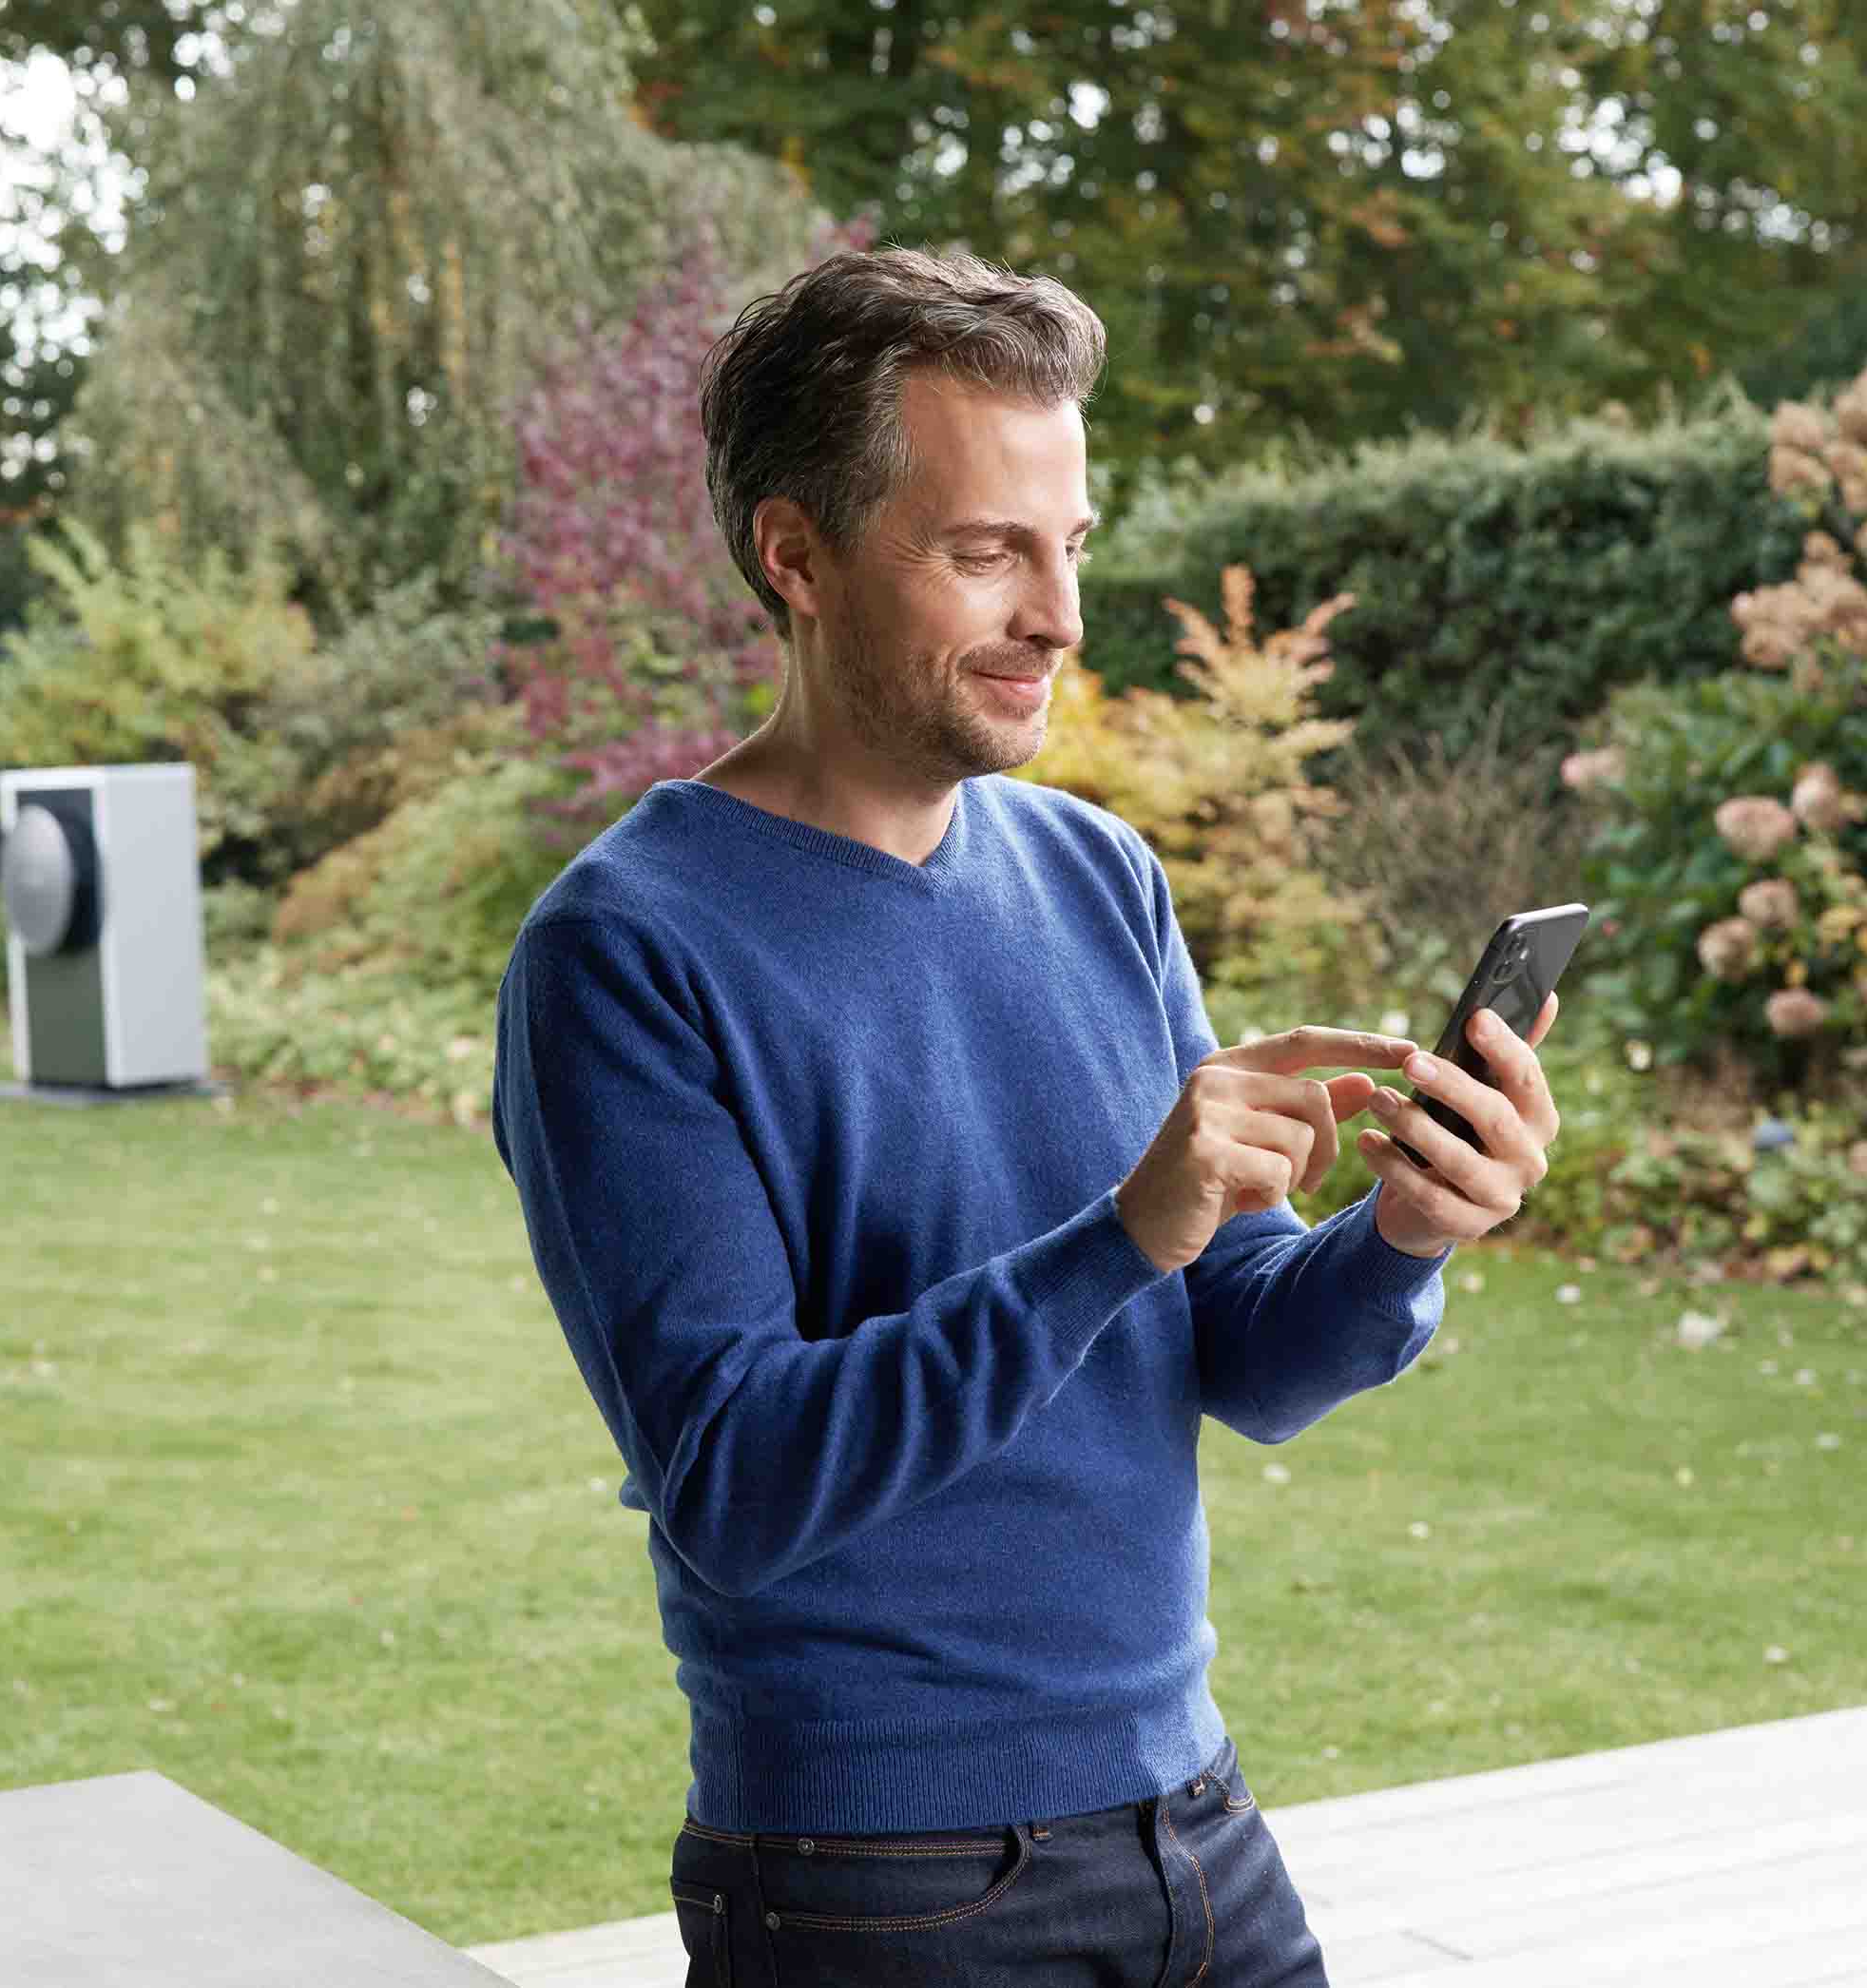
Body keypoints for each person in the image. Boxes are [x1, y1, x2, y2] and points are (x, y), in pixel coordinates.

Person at [488, 245, 1565, 1988]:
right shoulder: (625, 951)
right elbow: (736, 1479)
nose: (1058, 615)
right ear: (796, 556)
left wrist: (1409, 1234)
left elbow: (1251, 1359)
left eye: (1069, 547)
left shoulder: (1098, 877)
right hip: (876, 1883)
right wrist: (1123, 1232)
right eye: (986, 552)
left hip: (1191, 1826)